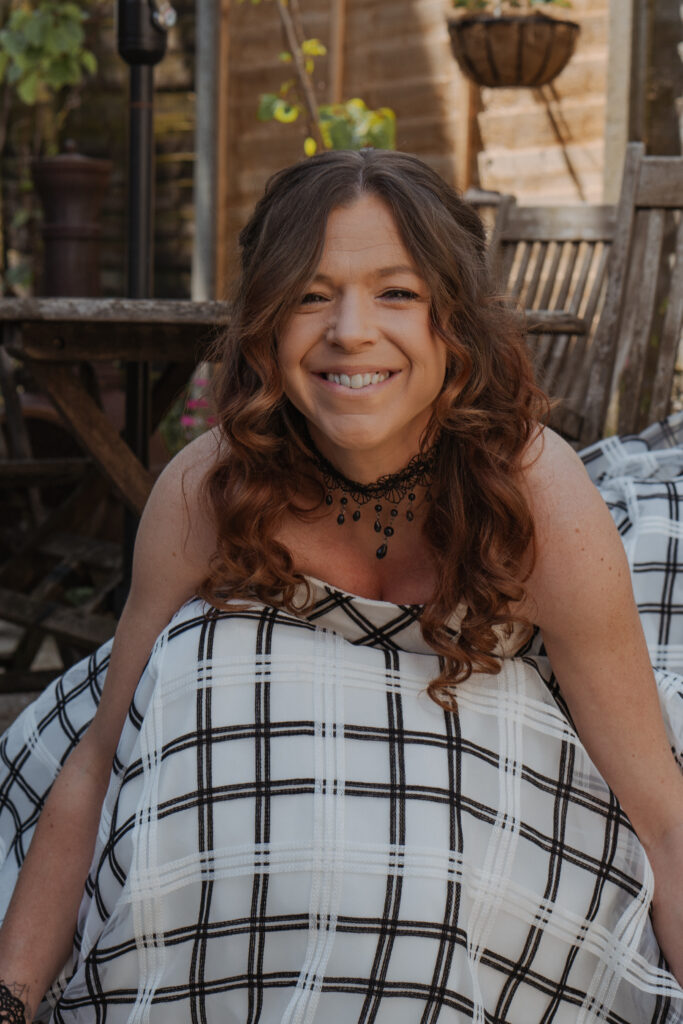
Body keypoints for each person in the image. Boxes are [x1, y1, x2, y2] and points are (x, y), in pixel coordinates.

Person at [0, 148, 681, 1023]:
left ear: (455, 321)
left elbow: (659, 817)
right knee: (199, 659)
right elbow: (100, 762)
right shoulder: (208, 489)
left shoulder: (535, 498)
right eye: (310, 296)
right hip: (247, 837)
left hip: (485, 807)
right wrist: (11, 1000)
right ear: (264, 325)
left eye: (396, 293)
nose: (349, 331)